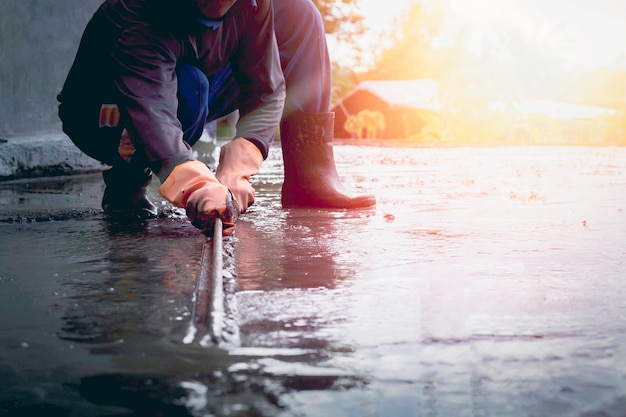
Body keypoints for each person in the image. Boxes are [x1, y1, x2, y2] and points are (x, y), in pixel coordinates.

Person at [58, 0, 375, 236]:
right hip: (110, 112)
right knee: (191, 87)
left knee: (299, 13)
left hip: (200, 79)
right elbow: (154, 111)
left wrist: (241, 161)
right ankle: (128, 177)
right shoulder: (140, 14)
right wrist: (196, 185)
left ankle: (311, 176)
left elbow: (266, 91)